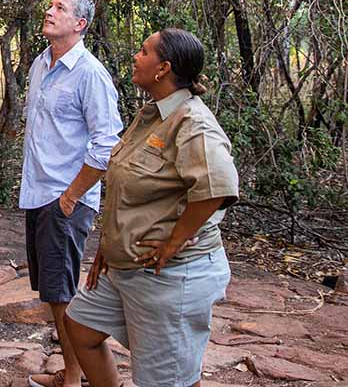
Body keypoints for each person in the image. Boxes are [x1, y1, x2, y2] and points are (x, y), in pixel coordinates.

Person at [65, 28, 240, 387]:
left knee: (165, 379)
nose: (135, 56)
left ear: (164, 68)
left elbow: (216, 188)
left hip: (169, 275)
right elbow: (130, 186)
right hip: (123, 266)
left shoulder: (193, 123)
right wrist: (110, 246)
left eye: (144, 51)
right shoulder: (151, 115)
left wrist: (174, 242)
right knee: (80, 327)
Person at [22, 0, 123, 387]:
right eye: (50, 5)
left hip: (65, 198)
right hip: (38, 192)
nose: (49, 11)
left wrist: (71, 196)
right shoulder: (40, 64)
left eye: (59, 8)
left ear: (79, 24)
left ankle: (74, 380)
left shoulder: (90, 73)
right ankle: (71, 372)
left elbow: (106, 143)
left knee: (63, 294)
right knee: (53, 293)